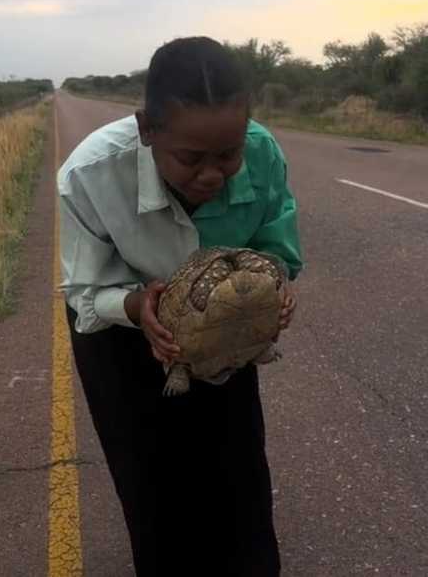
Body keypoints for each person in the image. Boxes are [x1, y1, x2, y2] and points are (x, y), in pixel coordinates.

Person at [58, 36, 303, 576]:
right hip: (118, 327)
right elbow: (84, 293)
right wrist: (135, 304)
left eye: (228, 155)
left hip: (223, 327)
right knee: (149, 470)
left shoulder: (262, 155)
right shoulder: (90, 174)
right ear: (147, 130)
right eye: (191, 159)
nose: (213, 175)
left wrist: (274, 289)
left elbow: (274, 246)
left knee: (235, 460)